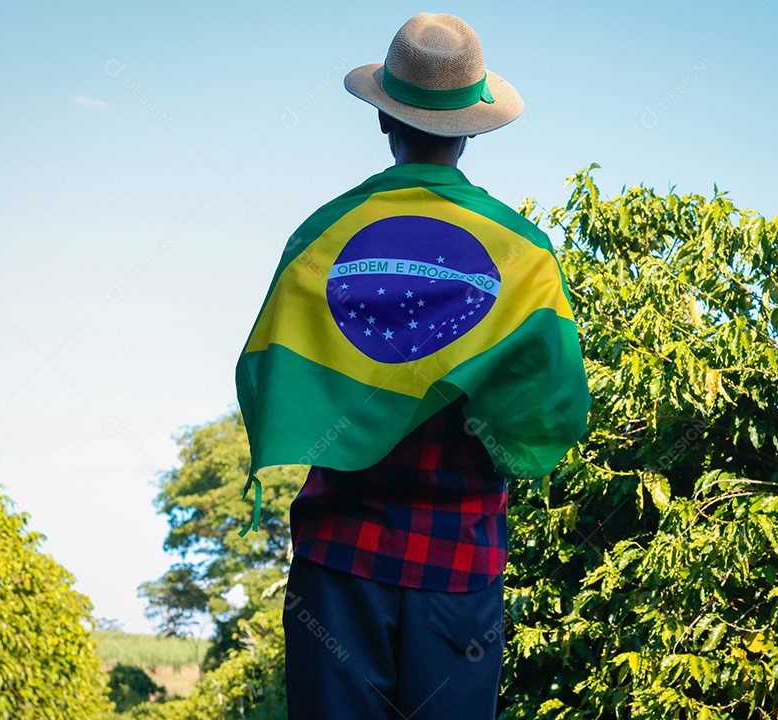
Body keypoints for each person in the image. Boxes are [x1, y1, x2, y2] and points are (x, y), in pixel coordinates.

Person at [235, 12, 590, 720]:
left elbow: (272, 372)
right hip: (458, 566)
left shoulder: (324, 233)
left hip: (339, 562)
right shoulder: (521, 253)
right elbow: (551, 413)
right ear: (471, 131)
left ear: (382, 120)